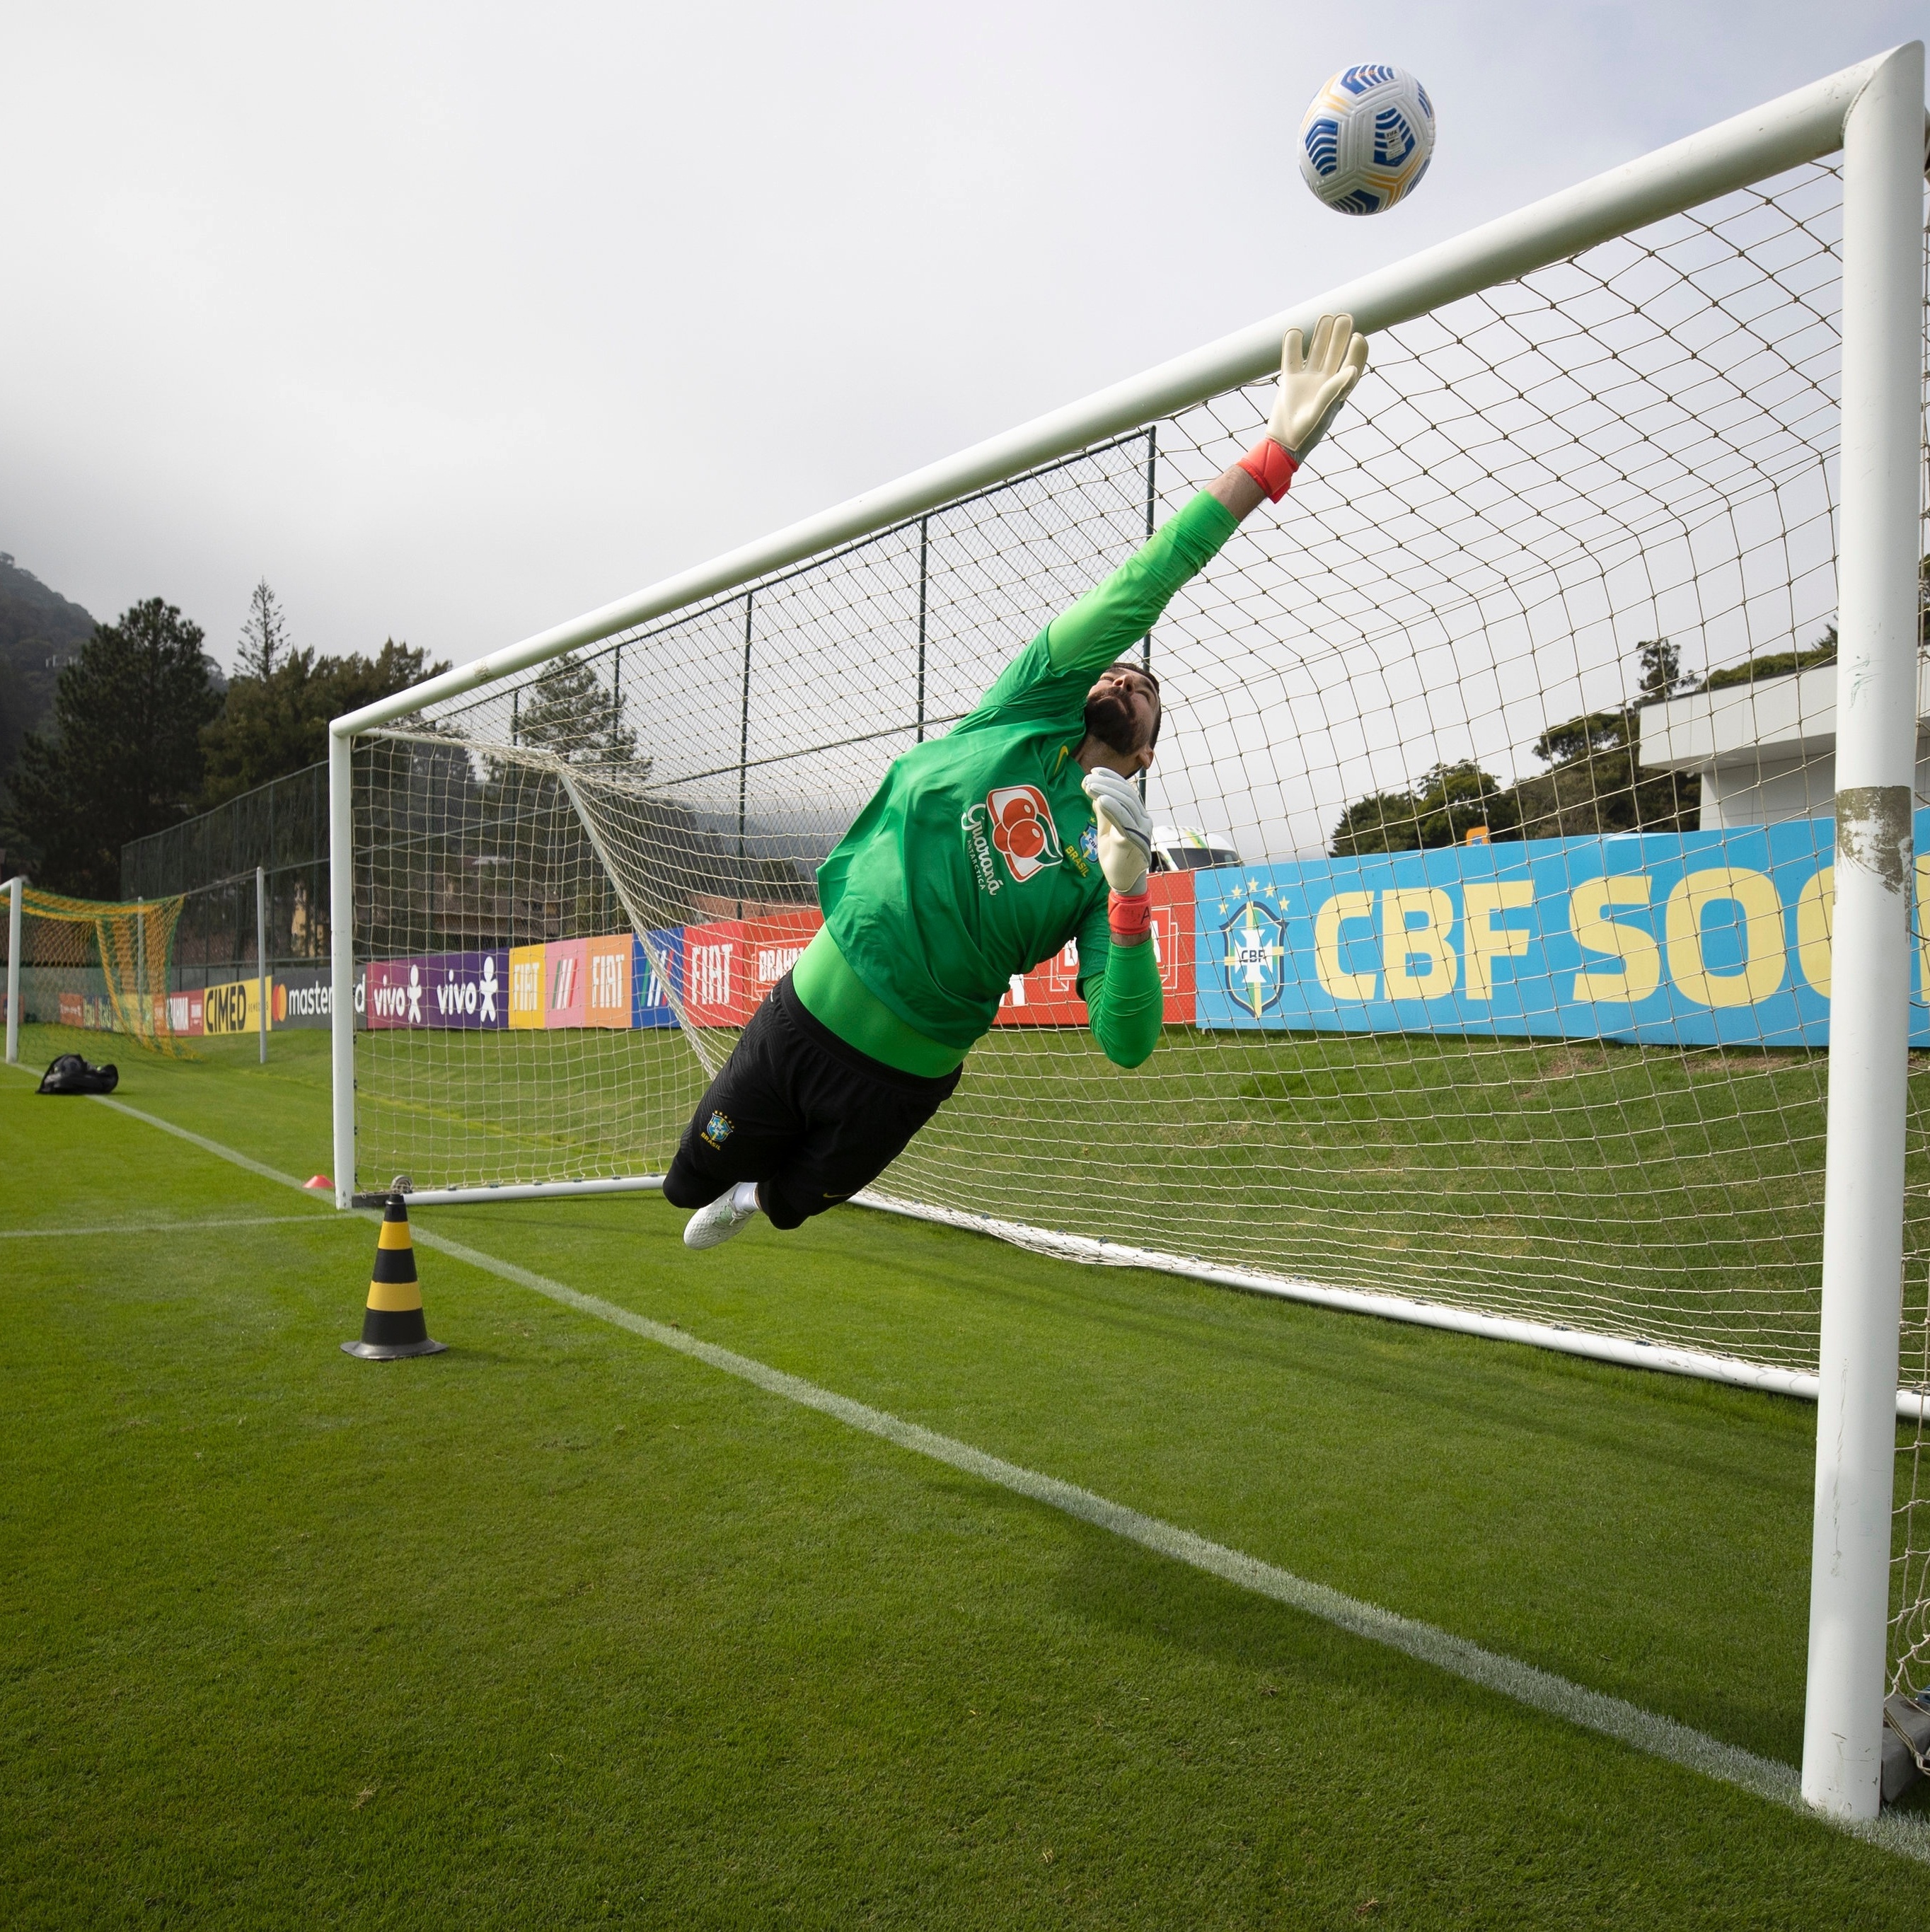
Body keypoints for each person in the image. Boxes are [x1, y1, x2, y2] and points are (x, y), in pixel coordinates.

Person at [667, 314, 1370, 1249]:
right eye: (1123, 670)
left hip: (901, 1080)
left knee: (786, 1202)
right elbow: (1145, 581)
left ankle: (758, 1199)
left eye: (1147, 692)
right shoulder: (1028, 708)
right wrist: (1272, 456)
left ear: (1147, 755)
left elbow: (1127, 1043)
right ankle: (729, 1186)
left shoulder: (1106, 864)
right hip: (802, 1017)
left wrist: (1127, 898)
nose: (1127, 678)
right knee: (685, 1184)